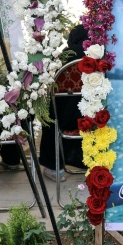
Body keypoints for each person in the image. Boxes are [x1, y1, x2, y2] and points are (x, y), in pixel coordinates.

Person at [39, 25, 88, 180]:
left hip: (66, 119)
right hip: (95, 118)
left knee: (49, 113)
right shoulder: (100, 54)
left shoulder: (65, 56)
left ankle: (54, 168)